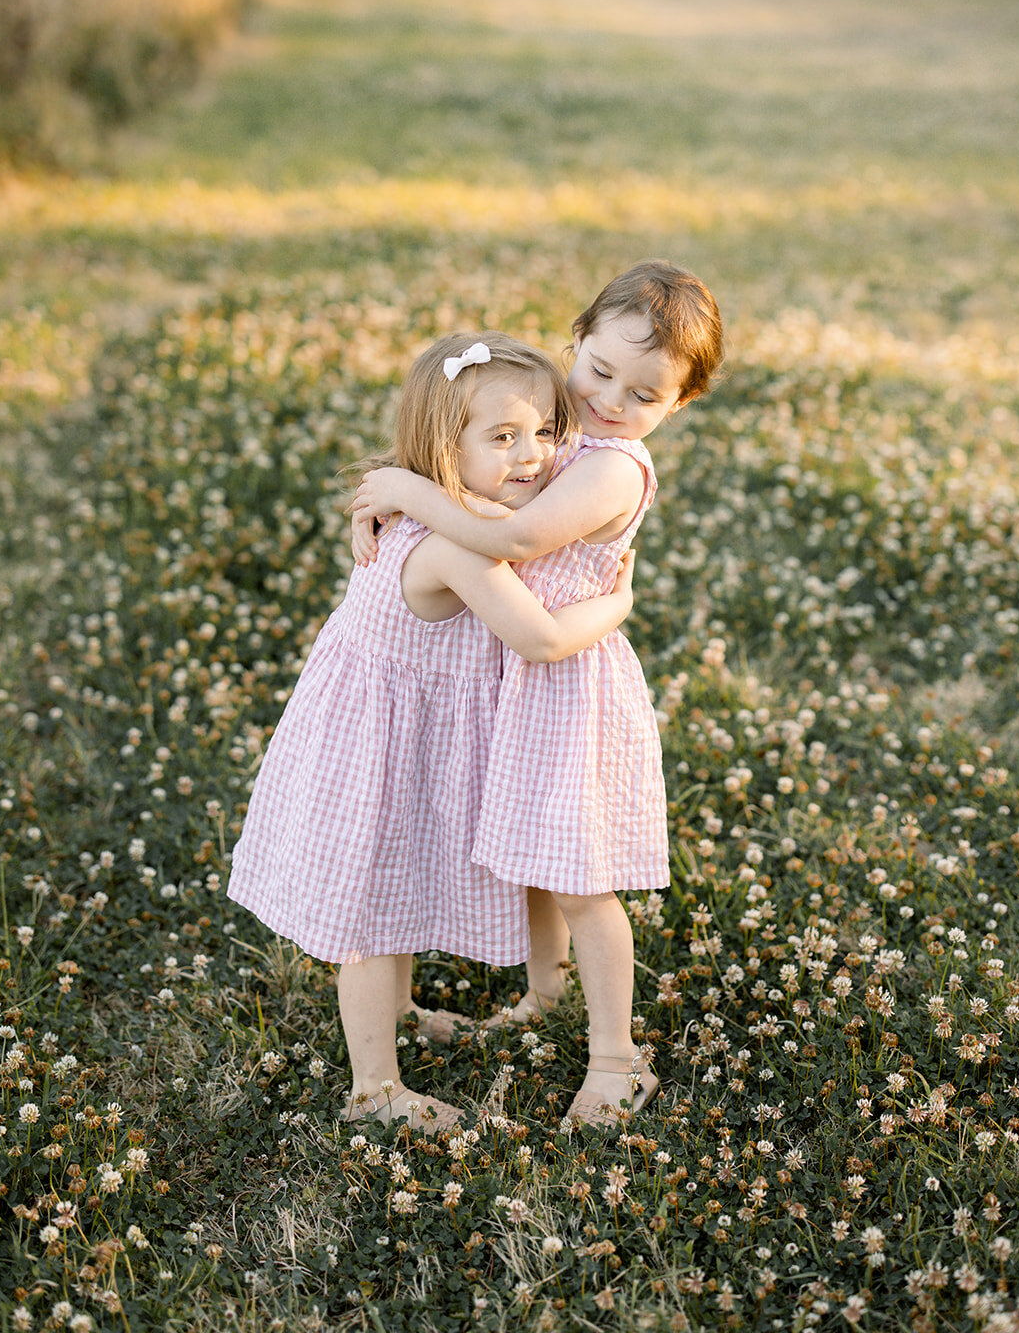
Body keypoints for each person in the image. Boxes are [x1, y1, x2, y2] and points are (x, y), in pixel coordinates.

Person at [227, 332, 638, 1132]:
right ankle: (373, 1090)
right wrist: (620, 603)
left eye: (546, 432)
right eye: (502, 437)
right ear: (441, 450)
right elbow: (542, 639)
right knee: (374, 910)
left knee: (397, 880)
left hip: (399, 726)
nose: (534, 456)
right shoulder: (454, 543)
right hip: (375, 745)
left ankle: (414, 1009)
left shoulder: (445, 504)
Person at [351, 261, 724, 1127]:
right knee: (527, 855)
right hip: (514, 678)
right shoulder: (562, 429)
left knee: (579, 877)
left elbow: (515, 535)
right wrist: (385, 498)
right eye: (596, 372)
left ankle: (615, 1061)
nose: (609, 399)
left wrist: (407, 493)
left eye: (644, 392)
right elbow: (476, 452)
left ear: (678, 405)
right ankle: (547, 994)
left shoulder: (614, 468)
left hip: (565, 682)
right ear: (576, 343)